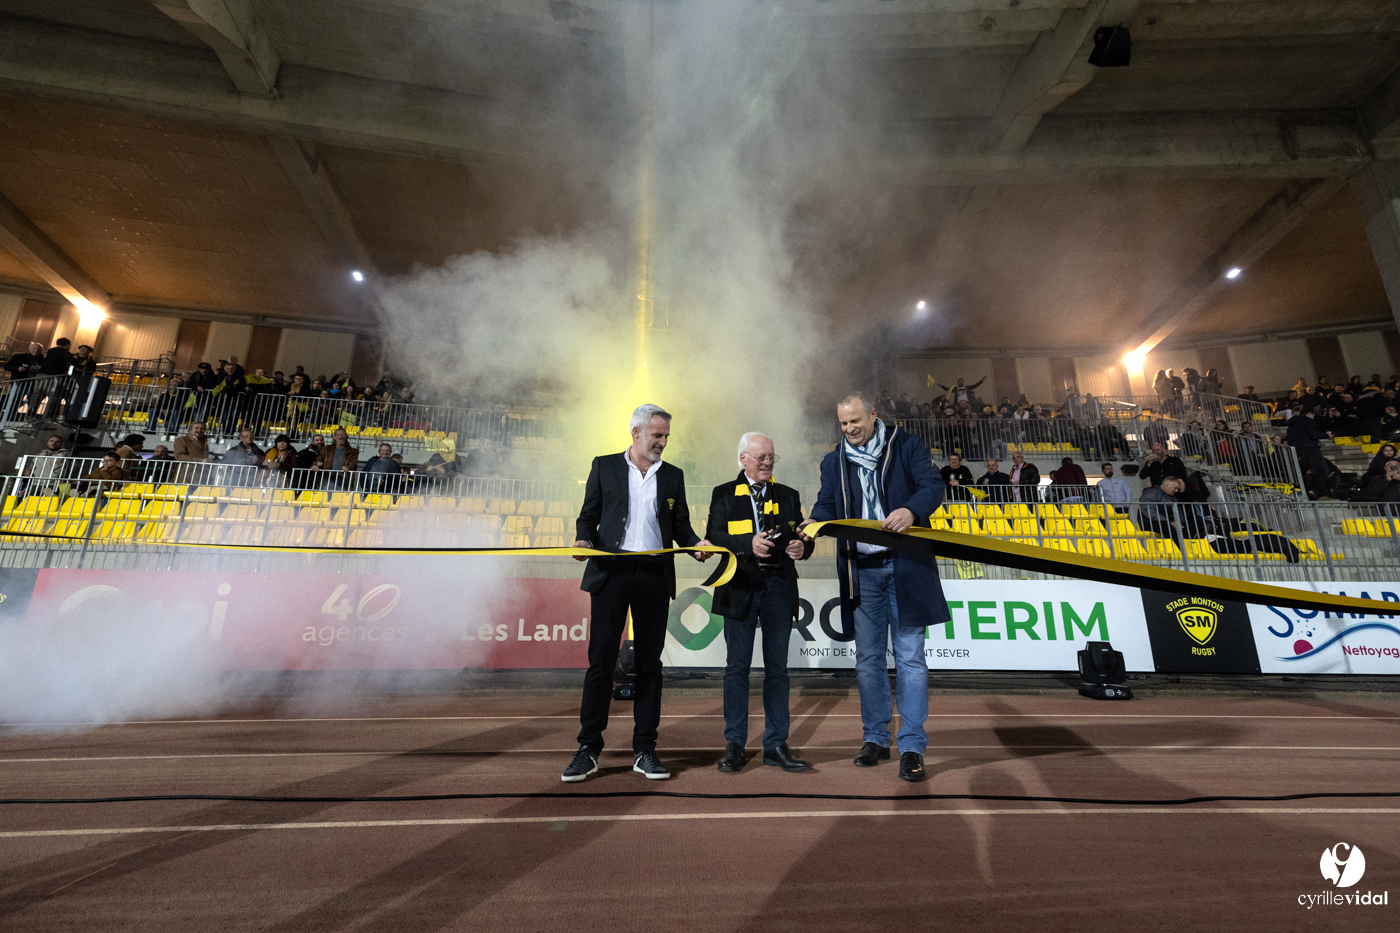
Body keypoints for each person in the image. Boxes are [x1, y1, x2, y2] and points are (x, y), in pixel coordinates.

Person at [803, 390, 947, 783]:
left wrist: (911, 510)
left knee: (910, 659)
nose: (849, 429)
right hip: (861, 571)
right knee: (868, 661)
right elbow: (827, 504)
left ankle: (912, 746)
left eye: (855, 421)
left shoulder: (906, 445)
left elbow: (932, 485)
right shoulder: (834, 460)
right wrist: (812, 525)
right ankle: (875, 739)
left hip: (906, 567)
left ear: (872, 414)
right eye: (843, 423)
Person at [564, 404, 711, 783]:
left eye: (666, 437)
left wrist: (696, 544)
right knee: (600, 663)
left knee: (649, 666)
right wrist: (583, 539)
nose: (663, 442)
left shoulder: (674, 475)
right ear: (636, 433)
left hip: (654, 576)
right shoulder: (604, 466)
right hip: (611, 574)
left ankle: (645, 749)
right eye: (657, 435)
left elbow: (681, 526)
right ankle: (587, 749)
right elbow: (588, 515)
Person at [706, 432, 813, 775]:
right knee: (737, 668)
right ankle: (735, 744)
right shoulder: (723, 493)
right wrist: (746, 544)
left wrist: (802, 548)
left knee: (777, 670)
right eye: (761, 457)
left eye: (771, 457)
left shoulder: (788, 495)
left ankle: (776, 744)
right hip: (739, 587)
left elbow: (803, 537)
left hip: (779, 586)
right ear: (743, 459)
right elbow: (715, 535)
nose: (768, 463)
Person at [1286, 408, 1332, 500]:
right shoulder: (1308, 421)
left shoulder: (1291, 426)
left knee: (1307, 472)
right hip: (1311, 449)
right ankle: (1320, 494)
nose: (1313, 418)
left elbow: (1289, 440)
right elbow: (1313, 434)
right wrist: (1327, 435)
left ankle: (1309, 491)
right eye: (1313, 415)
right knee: (1322, 471)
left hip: (1298, 451)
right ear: (1309, 414)